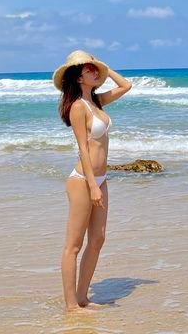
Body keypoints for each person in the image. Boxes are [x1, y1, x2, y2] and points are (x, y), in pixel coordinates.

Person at [54, 49, 133, 312]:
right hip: (82, 181)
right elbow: (83, 149)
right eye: (88, 69)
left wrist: (103, 67)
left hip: (101, 178)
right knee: (73, 245)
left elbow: (126, 85)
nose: (93, 71)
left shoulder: (96, 102)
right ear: (78, 77)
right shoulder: (79, 107)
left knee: (97, 239)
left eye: (93, 67)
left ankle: (83, 297)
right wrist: (91, 185)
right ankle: (70, 305)